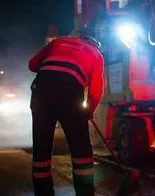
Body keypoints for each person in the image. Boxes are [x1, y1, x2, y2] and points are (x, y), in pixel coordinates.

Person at [29, 32, 104, 196]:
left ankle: (43, 193)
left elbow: (32, 64)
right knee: (81, 149)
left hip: (41, 92)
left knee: (41, 150)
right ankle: (85, 193)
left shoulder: (58, 42)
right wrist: (88, 111)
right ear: (95, 43)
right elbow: (96, 91)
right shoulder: (96, 54)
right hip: (70, 94)